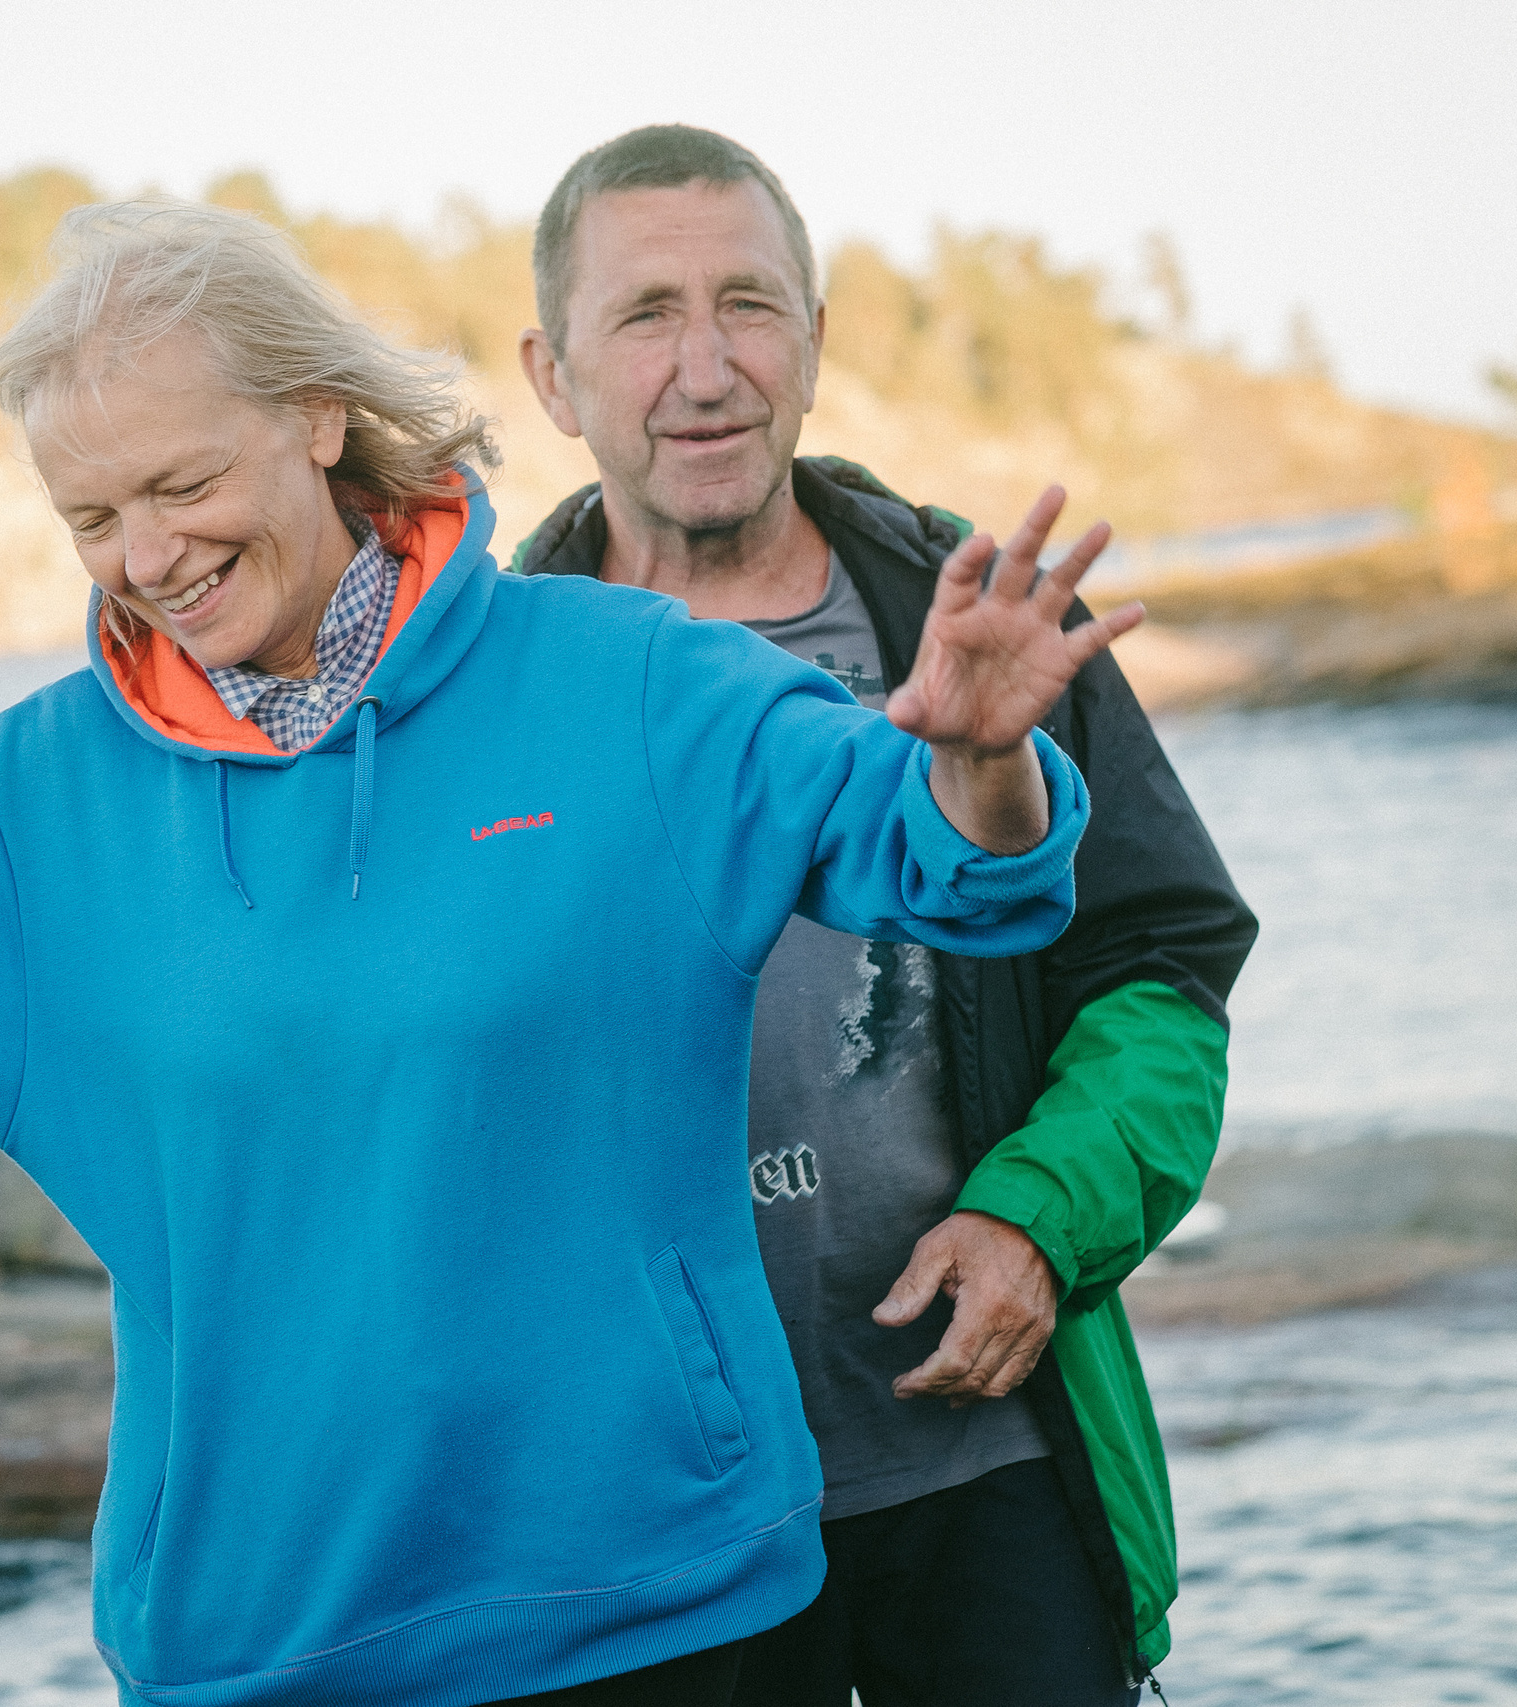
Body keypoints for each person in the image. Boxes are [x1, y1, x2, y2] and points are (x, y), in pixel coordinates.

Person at [0, 200, 1136, 1707]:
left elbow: (947, 869)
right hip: (265, 1637)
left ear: (320, 421)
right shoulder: (29, 808)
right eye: (91, 518)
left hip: (658, 1605)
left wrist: (978, 758)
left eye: (179, 483)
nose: (146, 556)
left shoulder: (626, 683)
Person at [511, 126, 1259, 1704]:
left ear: (817, 341)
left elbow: (1163, 981)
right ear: (551, 374)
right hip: (659, 1534)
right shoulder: (490, 694)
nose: (706, 366)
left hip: (985, 1467)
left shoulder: (980, 622)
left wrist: (1036, 1220)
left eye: (750, 306)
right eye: (646, 315)